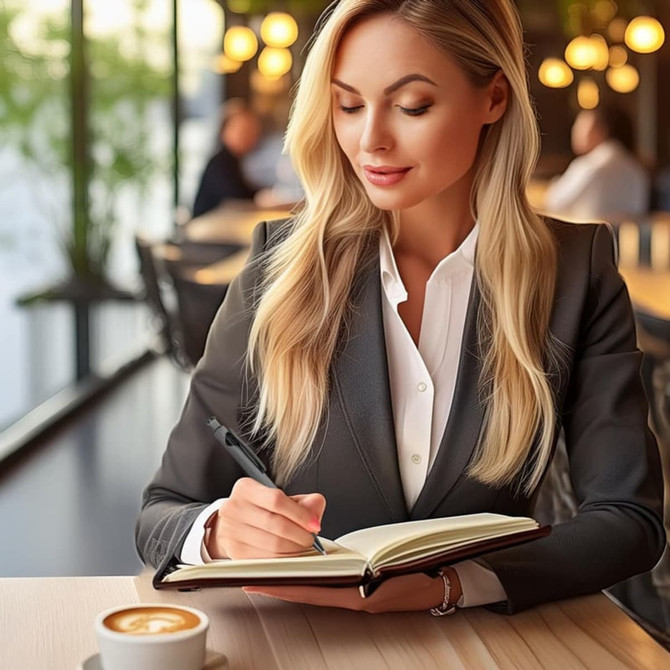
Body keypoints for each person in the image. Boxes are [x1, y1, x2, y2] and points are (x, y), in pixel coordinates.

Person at [136, 0, 665, 615]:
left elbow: (629, 522)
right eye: (349, 105)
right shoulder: (277, 270)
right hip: (303, 647)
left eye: (412, 106)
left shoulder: (575, 272)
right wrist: (219, 533)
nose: (371, 140)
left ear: (494, 98)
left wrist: (454, 586)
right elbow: (161, 513)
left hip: (493, 648)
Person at [544, 103, 650, 222]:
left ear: (600, 130)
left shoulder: (589, 165)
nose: (574, 131)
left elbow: (554, 202)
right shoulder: (637, 170)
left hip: (590, 238)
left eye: (581, 126)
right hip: (627, 239)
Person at [191, 99, 261, 218]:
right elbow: (236, 196)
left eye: (251, 131)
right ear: (224, 131)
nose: (249, 136)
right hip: (207, 229)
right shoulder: (220, 163)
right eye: (242, 131)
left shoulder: (233, 161)